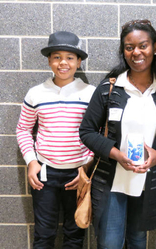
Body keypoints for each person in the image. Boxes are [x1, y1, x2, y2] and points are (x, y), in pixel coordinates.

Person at [79, 19, 156, 249]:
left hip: (149, 183)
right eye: (129, 47)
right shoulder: (109, 89)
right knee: (110, 244)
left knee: (137, 242)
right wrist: (116, 154)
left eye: (143, 45)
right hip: (110, 182)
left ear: (155, 47)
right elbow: (86, 131)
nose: (136, 52)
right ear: (123, 51)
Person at [16, 31, 96, 249]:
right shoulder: (36, 93)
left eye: (70, 57)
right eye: (57, 57)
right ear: (49, 60)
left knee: (75, 232)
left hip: (78, 174)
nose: (63, 63)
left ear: (79, 62)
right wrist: (32, 162)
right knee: (44, 233)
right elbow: (23, 129)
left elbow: (97, 133)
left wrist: (86, 168)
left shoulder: (90, 93)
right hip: (45, 173)